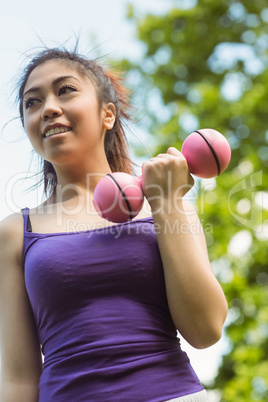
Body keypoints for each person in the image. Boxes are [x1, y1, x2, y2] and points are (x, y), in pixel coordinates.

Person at [0, 46, 228, 402]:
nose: (48, 108)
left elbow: (206, 329)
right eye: (32, 102)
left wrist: (167, 202)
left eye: (65, 90)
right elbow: (17, 378)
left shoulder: (165, 202)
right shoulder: (15, 232)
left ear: (108, 114)